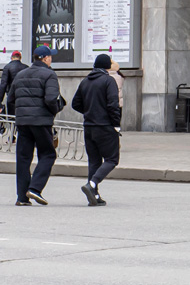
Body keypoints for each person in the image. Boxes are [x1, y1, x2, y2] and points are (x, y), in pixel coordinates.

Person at [8, 45, 63, 206]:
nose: (51, 59)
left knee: (23, 158)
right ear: (45, 58)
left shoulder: (20, 75)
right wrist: (53, 112)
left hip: (23, 122)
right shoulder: (49, 74)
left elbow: (10, 98)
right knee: (48, 154)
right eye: (50, 57)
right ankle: (35, 188)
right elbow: (52, 99)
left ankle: (22, 197)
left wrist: (21, 112)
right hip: (41, 121)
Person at [71, 54, 121, 206]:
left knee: (94, 161)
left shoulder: (85, 81)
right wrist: (116, 124)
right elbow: (113, 105)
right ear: (107, 66)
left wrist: (89, 112)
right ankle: (92, 184)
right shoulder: (108, 80)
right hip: (105, 126)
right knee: (112, 159)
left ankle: (94, 196)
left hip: (89, 126)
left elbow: (75, 103)